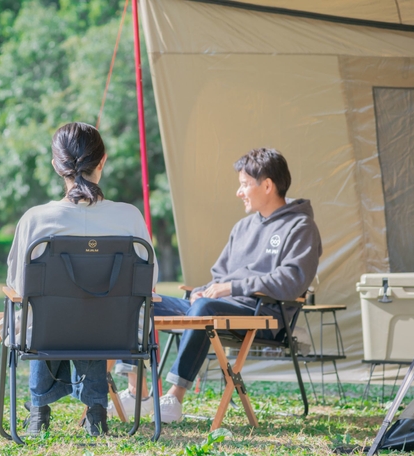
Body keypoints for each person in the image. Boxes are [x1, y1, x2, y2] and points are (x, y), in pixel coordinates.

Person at [111, 147, 322, 423]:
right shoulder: (243, 228)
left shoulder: (301, 227)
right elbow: (220, 277)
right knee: (141, 300)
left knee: (205, 307)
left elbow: (291, 281)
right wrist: (205, 288)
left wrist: (230, 289)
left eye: (245, 185)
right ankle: (138, 393)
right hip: (215, 307)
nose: (239, 192)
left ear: (267, 185)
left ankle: (174, 396)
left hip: (263, 314)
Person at [5, 122, 158, 437]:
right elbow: (149, 282)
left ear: (55, 166)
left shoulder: (35, 220)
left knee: (45, 310)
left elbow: (20, 287)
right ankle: (96, 411)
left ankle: (38, 412)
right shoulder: (130, 217)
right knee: (92, 314)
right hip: (117, 332)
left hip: (48, 333)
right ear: (102, 162)